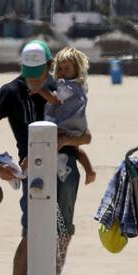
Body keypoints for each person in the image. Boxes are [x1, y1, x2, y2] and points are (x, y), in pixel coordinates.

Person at [0, 40, 91, 275]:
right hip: (33, 170)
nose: (33, 78)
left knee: (61, 232)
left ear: (49, 67)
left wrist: (65, 142)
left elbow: (85, 134)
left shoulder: (62, 86)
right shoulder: (11, 90)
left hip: (64, 169)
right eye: (28, 72)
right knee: (31, 233)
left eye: (38, 72)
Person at [33, 47, 96, 185]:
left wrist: (39, 89)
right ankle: (90, 171)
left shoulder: (68, 86)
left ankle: (61, 169)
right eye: (60, 69)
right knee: (76, 149)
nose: (62, 72)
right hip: (77, 124)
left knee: (55, 144)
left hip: (65, 123)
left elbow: (55, 99)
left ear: (77, 69)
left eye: (67, 69)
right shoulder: (81, 85)